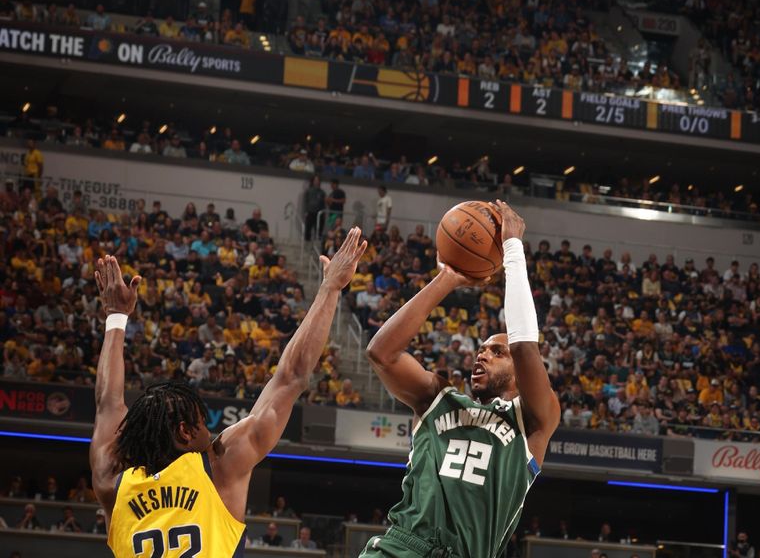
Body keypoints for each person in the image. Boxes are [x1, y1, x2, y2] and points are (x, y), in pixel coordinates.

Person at [90, 228, 366, 557]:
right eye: (201, 422)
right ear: (184, 432)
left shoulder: (112, 482)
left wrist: (116, 318)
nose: (210, 429)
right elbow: (291, 376)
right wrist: (331, 288)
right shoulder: (218, 467)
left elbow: (108, 404)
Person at [360, 201, 560, 558]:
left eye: (497, 352)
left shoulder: (533, 422)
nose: (482, 354)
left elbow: (527, 347)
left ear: (519, 369)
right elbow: (381, 353)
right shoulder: (438, 398)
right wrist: (448, 278)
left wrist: (512, 250)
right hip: (400, 548)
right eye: (481, 350)